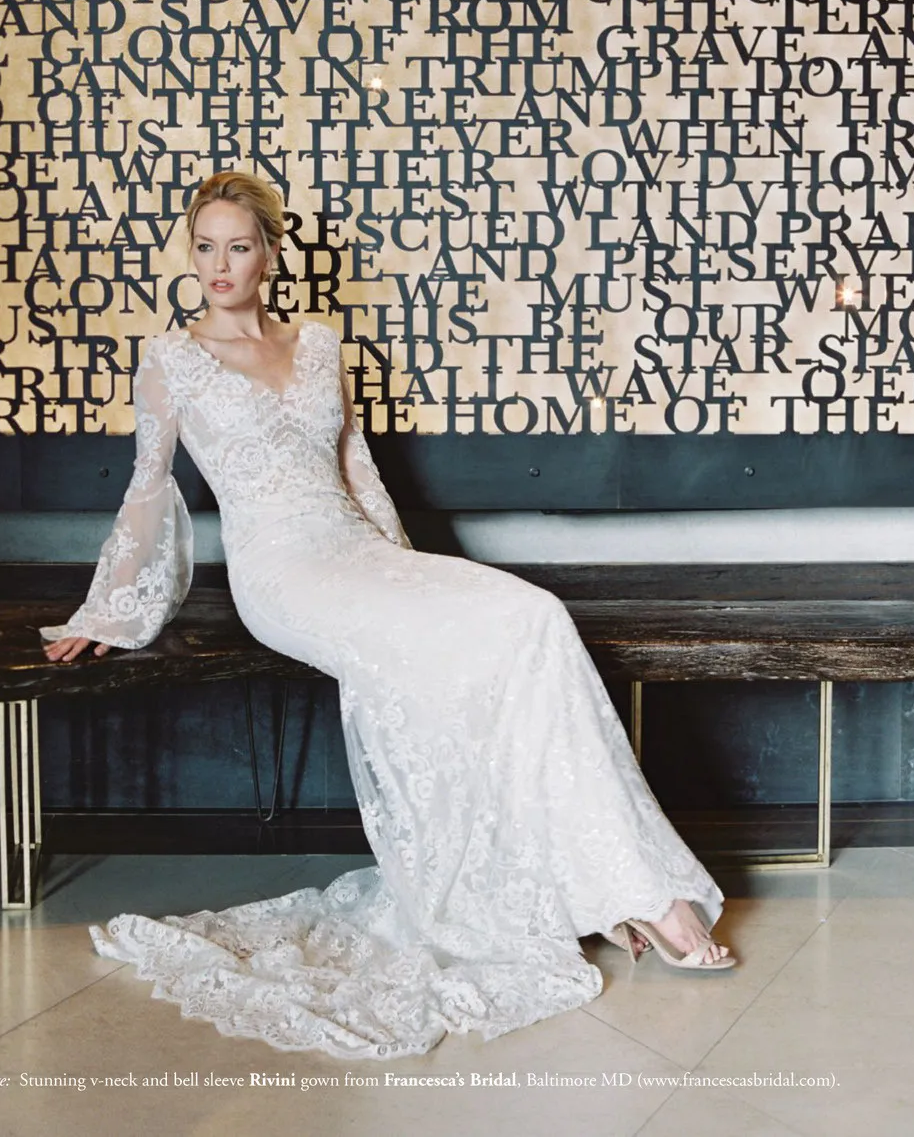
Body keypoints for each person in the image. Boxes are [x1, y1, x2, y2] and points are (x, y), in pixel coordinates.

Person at [40, 171, 734, 1061]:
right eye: (205, 247)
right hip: (283, 576)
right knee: (489, 636)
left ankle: (612, 887)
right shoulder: (172, 358)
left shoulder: (319, 344)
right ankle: (647, 901)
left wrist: (407, 577)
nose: (220, 265)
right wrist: (111, 608)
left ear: (270, 253)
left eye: (239, 246)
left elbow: (357, 471)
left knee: (533, 616)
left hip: (359, 554)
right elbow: (148, 492)